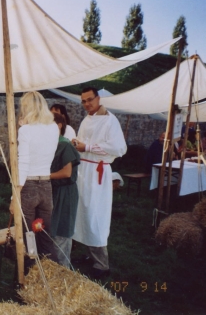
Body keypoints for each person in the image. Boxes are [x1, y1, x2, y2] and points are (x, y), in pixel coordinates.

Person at [71, 87, 127, 279]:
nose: (87, 104)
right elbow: (82, 144)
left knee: (95, 215)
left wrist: (86, 147)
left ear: (98, 98)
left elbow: (118, 148)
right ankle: (90, 256)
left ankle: (102, 264)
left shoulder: (110, 121)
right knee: (82, 213)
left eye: (90, 100)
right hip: (83, 171)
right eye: (84, 101)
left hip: (97, 172)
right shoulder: (87, 119)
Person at [10, 91, 59, 271]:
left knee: (27, 236)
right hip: (46, 184)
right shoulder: (54, 127)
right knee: (45, 235)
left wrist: (14, 197)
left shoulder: (26, 130)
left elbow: (23, 163)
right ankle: (53, 275)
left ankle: (27, 278)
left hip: (29, 185)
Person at [49, 113, 80, 267]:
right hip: (53, 191)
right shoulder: (50, 144)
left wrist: (43, 176)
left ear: (59, 126)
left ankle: (63, 270)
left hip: (65, 193)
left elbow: (67, 173)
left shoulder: (65, 145)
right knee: (50, 229)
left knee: (62, 230)